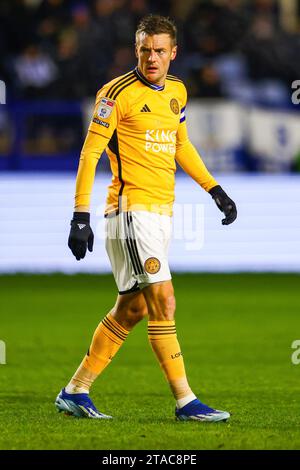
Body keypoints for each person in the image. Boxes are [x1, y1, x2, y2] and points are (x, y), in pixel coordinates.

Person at [55, 14, 237, 422]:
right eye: (144, 50)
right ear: (135, 50)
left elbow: (181, 144)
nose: (151, 57)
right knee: (163, 301)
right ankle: (186, 401)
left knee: (132, 310)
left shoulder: (177, 91)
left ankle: (76, 390)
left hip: (161, 212)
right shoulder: (116, 94)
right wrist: (79, 215)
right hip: (130, 212)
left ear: (174, 53)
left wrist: (214, 189)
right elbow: (90, 154)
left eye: (159, 50)